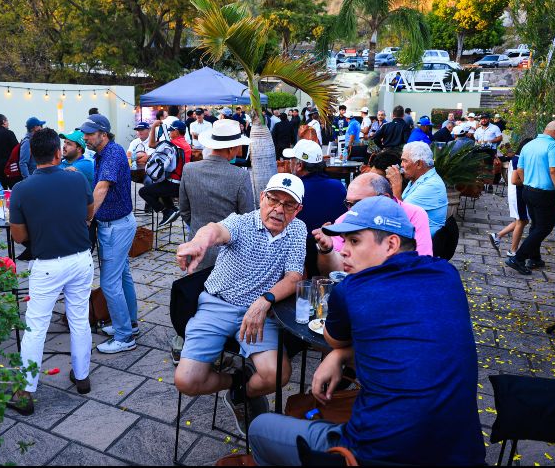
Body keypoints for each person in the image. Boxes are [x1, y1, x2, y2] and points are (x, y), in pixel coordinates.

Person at [250, 196, 485, 466]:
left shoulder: (353, 290)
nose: (344, 250)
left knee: (260, 428)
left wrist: (338, 354)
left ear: (391, 244)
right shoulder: (447, 275)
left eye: (354, 241)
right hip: (463, 453)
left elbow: (332, 340)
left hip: (375, 453)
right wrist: (342, 355)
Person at [174, 173, 307, 437]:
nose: (278, 209)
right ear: (262, 198)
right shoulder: (242, 222)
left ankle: (240, 395)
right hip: (217, 304)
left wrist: (264, 300)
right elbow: (215, 230)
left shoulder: (297, 230)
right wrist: (200, 242)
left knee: (277, 374)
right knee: (186, 380)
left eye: (288, 204)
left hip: (259, 312)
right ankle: (235, 379)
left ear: (297, 209)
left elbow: (294, 277)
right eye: (273, 199)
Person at [7, 128, 95, 416]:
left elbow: (18, 236)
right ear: (58, 153)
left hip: (47, 264)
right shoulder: (77, 178)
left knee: (35, 327)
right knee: (79, 318)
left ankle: (26, 390)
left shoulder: (22, 189)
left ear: (32, 155)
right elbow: (88, 214)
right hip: (81, 258)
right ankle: (82, 377)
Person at [174, 119, 255, 364]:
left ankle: (190, 342)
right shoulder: (240, 176)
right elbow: (247, 217)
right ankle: (218, 345)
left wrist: (198, 229)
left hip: (196, 244)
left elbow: (184, 210)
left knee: (194, 295)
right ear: (231, 150)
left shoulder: (190, 170)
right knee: (221, 301)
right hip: (229, 250)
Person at [81, 114, 139, 353]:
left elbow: (102, 188)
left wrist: (85, 219)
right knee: (122, 276)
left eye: (89, 134)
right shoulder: (104, 153)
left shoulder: (112, 154)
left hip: (115, 227)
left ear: (103, 134)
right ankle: (129, 324)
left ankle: (125, 337)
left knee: (109, 282)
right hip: (118, 224)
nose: (85, 137)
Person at [313, 173, 433, 275]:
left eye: (359, 203)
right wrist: (327, 251)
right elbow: (337, 270)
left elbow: (420, 266)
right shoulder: (347, 218)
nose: (351, 210)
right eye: (348, 203)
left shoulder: (414, 214)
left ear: (385, 198)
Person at [505, 120, 555, 275]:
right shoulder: (553, 146)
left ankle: (535, 258)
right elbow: (554, 171)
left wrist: (527, 183)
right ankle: (518, 258)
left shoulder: (529, 145)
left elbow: (520, 168)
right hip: (544, 193)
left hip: (528, 191)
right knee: (544, 227)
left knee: (536, 224)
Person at [282, 139, 346, 277]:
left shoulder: (294, 191)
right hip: (335, 258)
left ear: (299, 165)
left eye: (292, 160)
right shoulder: (338, 187)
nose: (289, 163)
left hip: (300, 263)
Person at [386, 141, 447, 236]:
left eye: (405, 161)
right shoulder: (417, 179)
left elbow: (399, 217)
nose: (401, 164)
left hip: (421, 242)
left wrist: (396, 186)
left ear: (418, 164)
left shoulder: (431, 185)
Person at [142, 119, 192, 226]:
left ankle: (166, 212)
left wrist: (154, 127)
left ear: (177, 132)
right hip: (182, 183)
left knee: (143, 192)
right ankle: (173, 210)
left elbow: (151, 144)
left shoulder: (172, 144)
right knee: (160, 187)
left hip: (173, 185)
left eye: (171, 131)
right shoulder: (187, 145)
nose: (169, 133)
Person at [489, 138, 532, 257]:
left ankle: (498, 236)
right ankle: (513, 251)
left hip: (516, 193)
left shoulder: (516, 158)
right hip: (518, 193)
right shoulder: (519, 159)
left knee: (522, 220)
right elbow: (515, 180)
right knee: (522, 221)